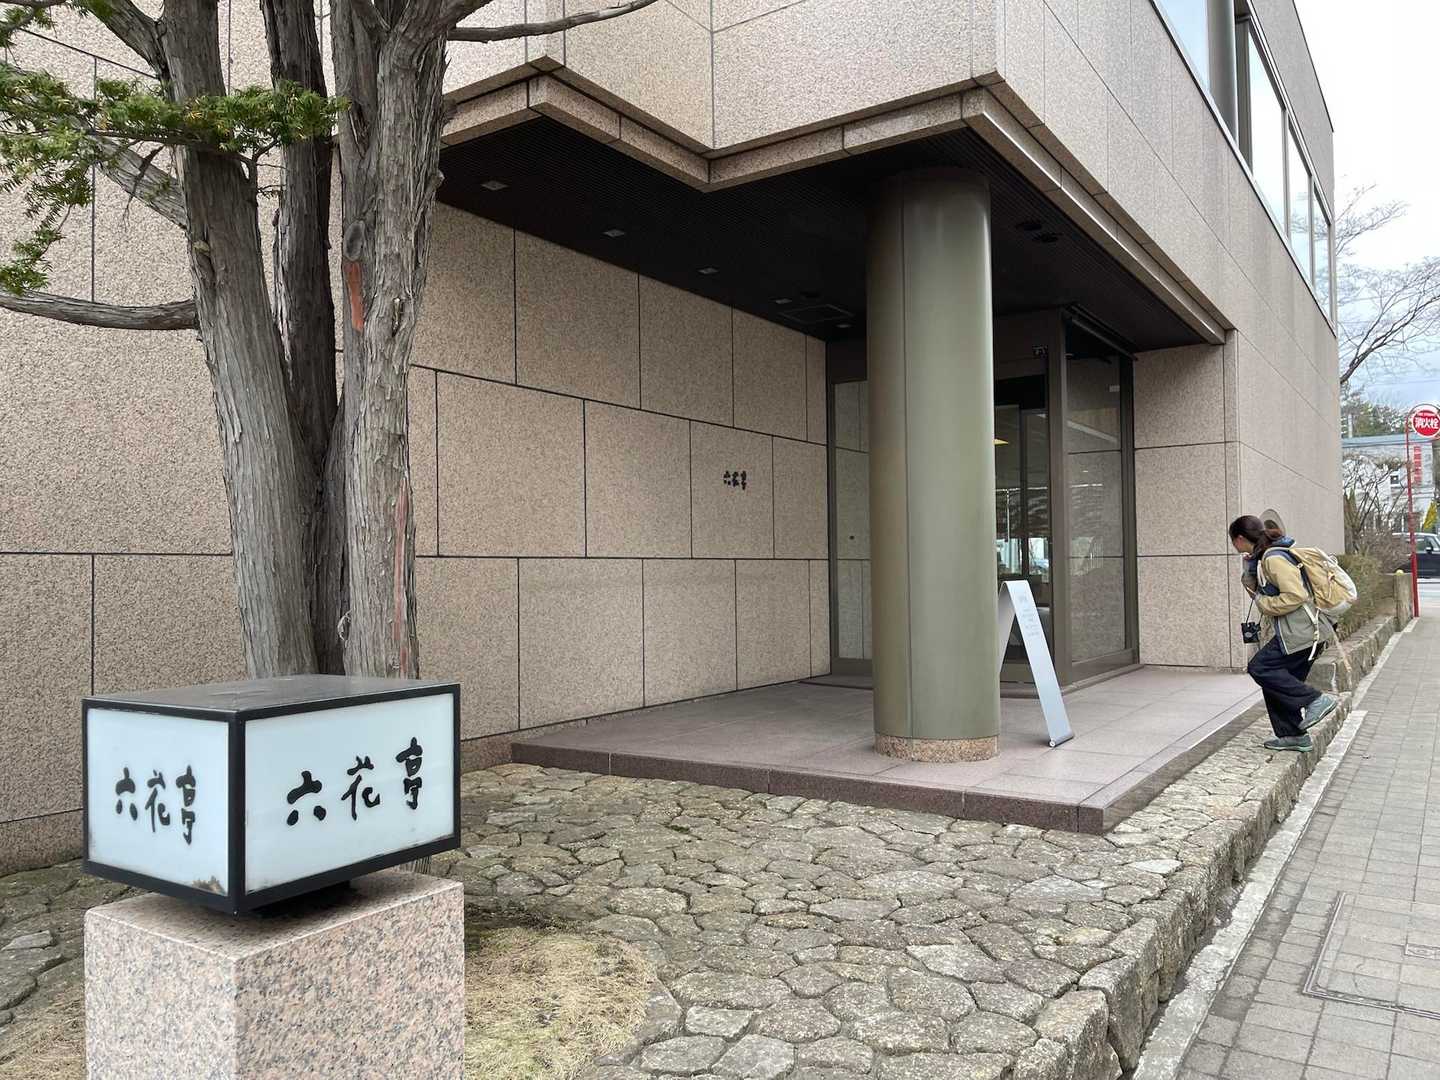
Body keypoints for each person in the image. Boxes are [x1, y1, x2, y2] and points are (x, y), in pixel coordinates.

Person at [1229, 515, 1339, 752]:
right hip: (1304, 632)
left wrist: (1265, 605)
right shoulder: (1264, 557)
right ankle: (1292, 735)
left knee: (1260, 667)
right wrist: (1250, 568)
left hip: (1302, 632)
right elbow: (1258, 591)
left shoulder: (1273, 558)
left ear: (1239, 539)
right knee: (1277, 683)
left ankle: (1315, 700)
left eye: (1232, 541)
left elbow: (1295, 595)